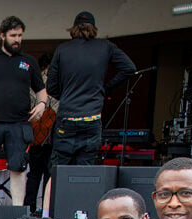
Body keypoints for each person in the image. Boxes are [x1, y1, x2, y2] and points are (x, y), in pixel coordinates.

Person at [0, 16, 47, 207]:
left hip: (19, 123)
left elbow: (41, 90)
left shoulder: (29, 62)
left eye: (20, 35)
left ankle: (18, 213)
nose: (17, 40)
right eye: (13, 35)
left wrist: (42, 104)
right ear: (2, 35)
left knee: (18, 169)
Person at [46, 11, 135, 173]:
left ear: (73, 28)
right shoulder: (105, 46)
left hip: (67, 116)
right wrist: (106, 89)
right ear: (94, 28)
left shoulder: (62, 49)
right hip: (91, 117)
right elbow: (129, 68)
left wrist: (66, 95)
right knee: (85, 172)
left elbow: (51, 87)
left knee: (58, 170)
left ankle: (56, 199)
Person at [26, 52, 58, 214]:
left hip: (36, 136)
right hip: (53, 136)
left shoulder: (35, 83)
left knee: (33, 174)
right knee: (49, 174)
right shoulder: (58, 81)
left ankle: (28, 208)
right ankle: (47, 209)